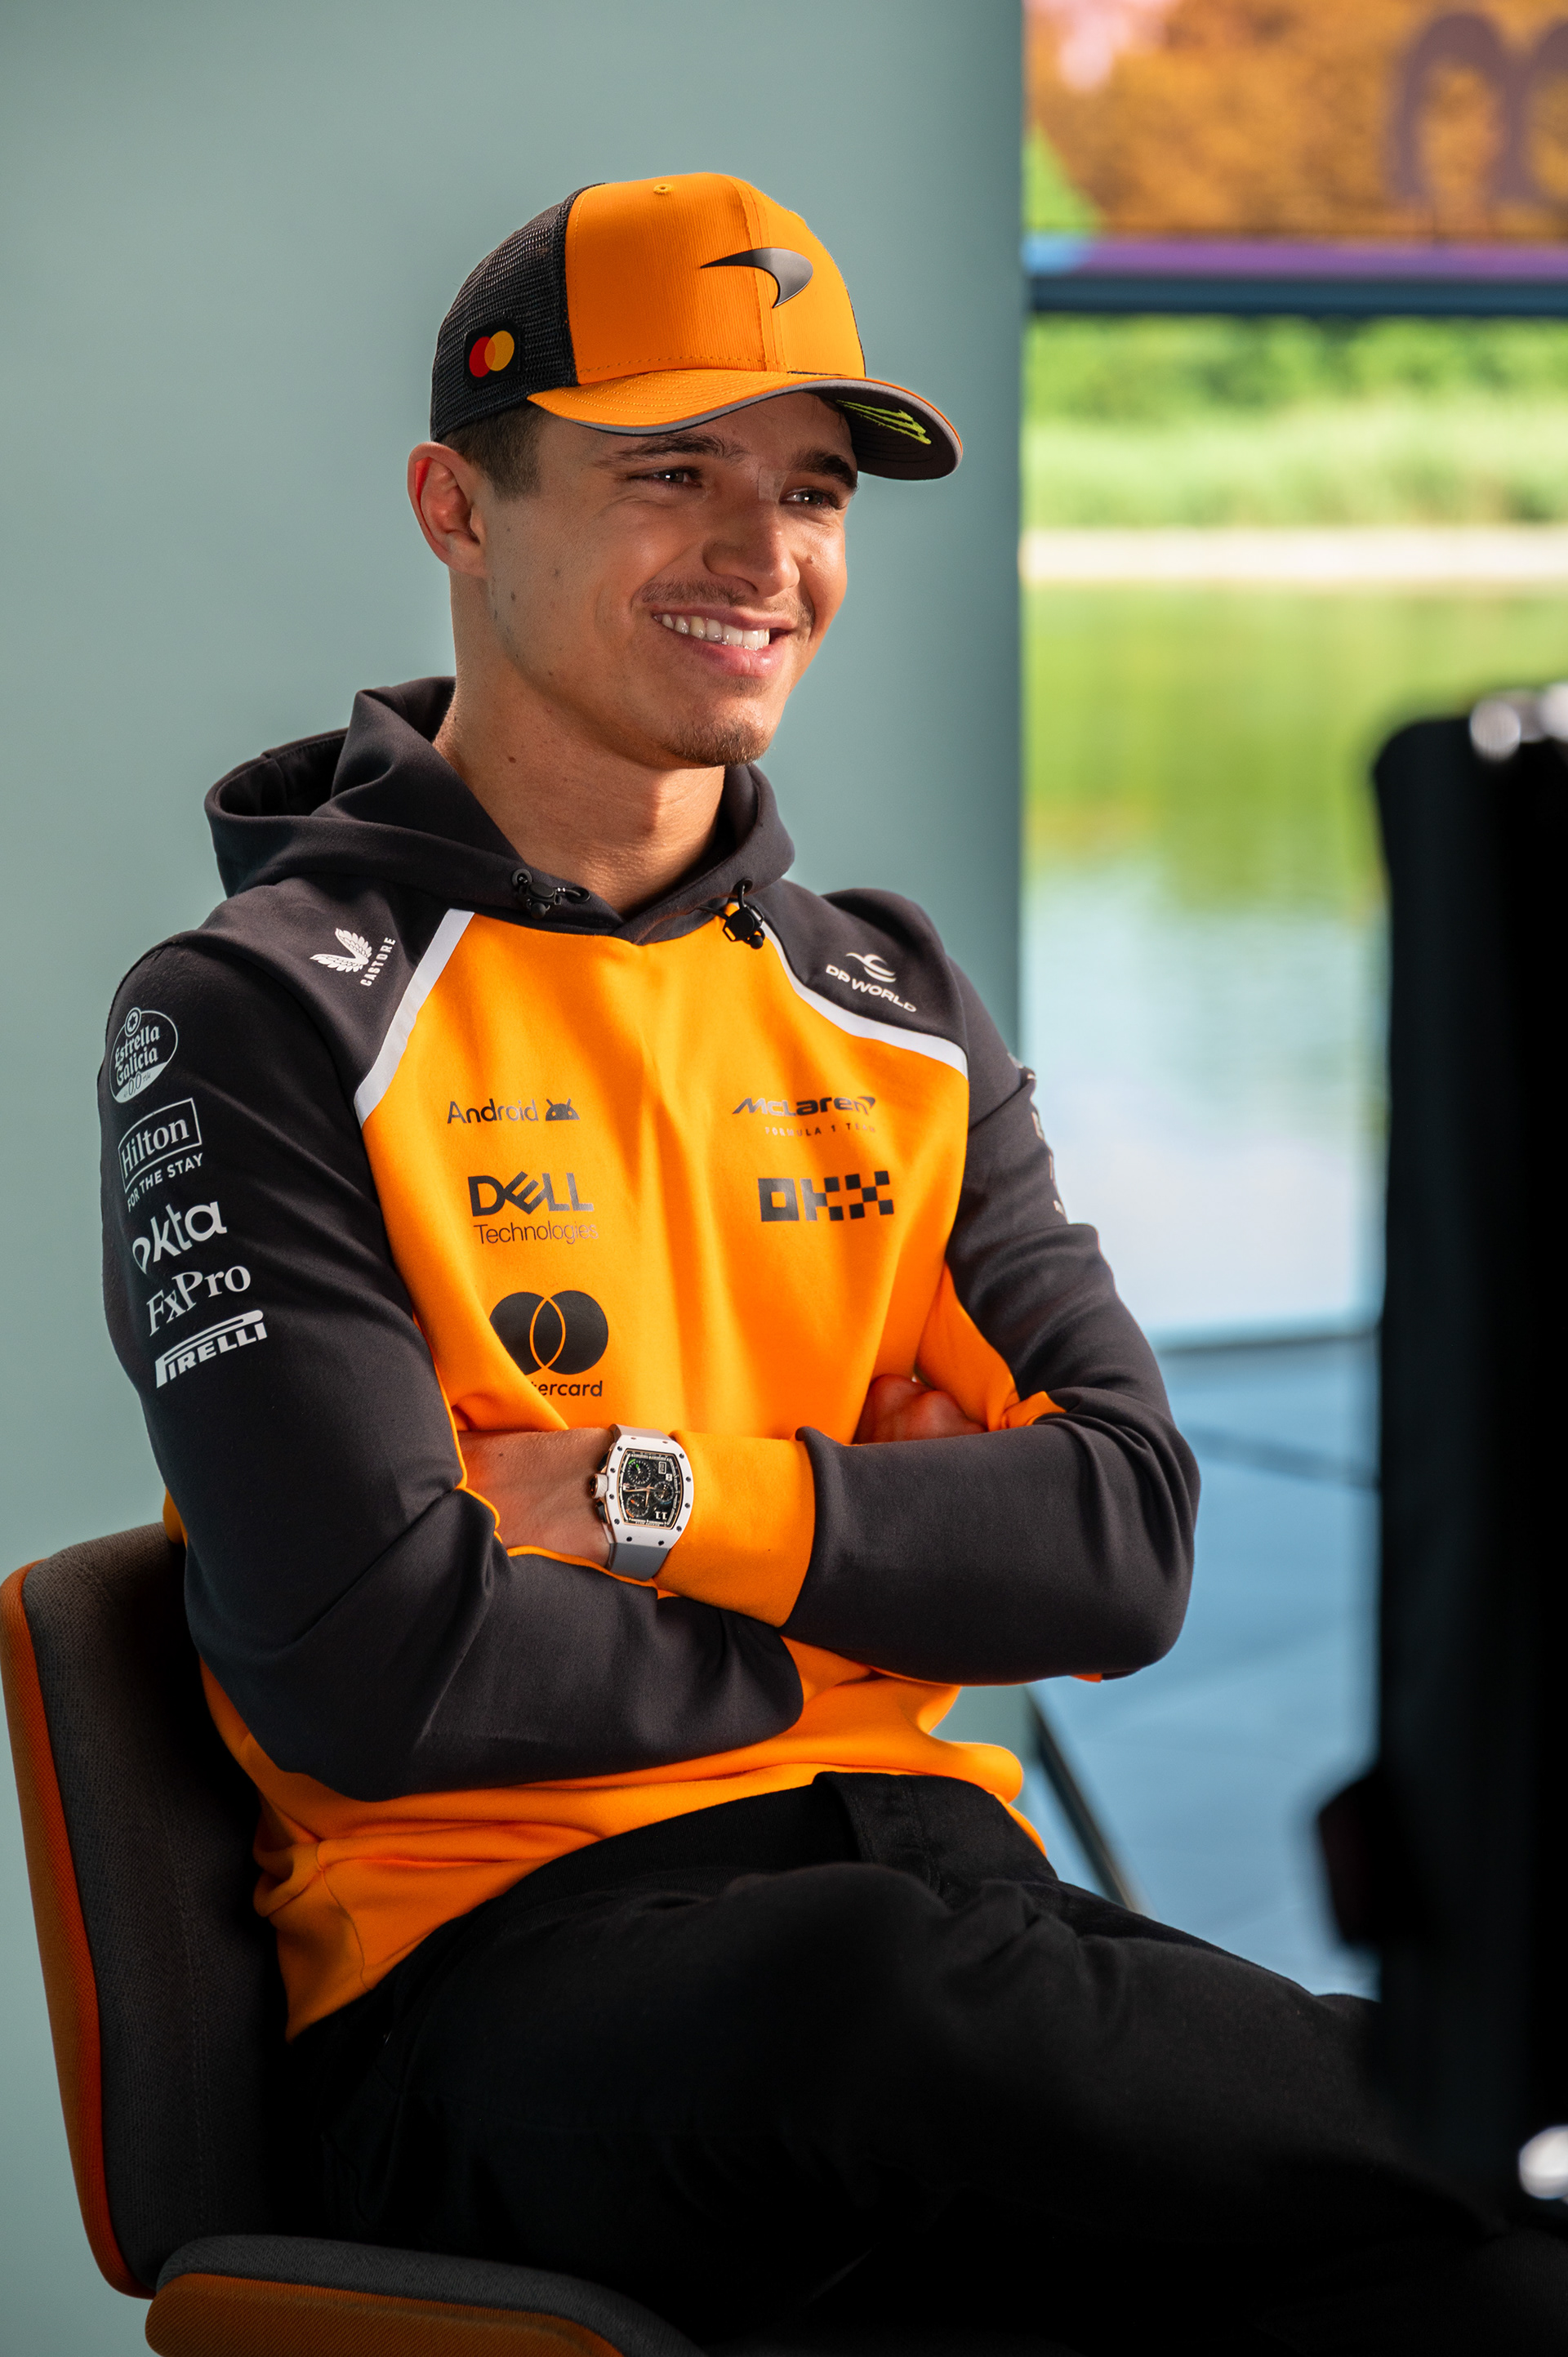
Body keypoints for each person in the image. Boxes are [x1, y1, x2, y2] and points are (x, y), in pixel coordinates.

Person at [99, 172, 1567, 2352]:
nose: (761, 553)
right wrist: (879, 1585)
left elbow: (1123, 1548)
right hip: (488, 2000)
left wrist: (647, 1503)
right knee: (916, 1996)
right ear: (457, 506)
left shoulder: (894, 1002)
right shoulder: (254, 1012)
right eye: (670, 472)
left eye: (808, 492)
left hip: (948, 1930)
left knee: (1496, 2296)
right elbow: (377, 1670)